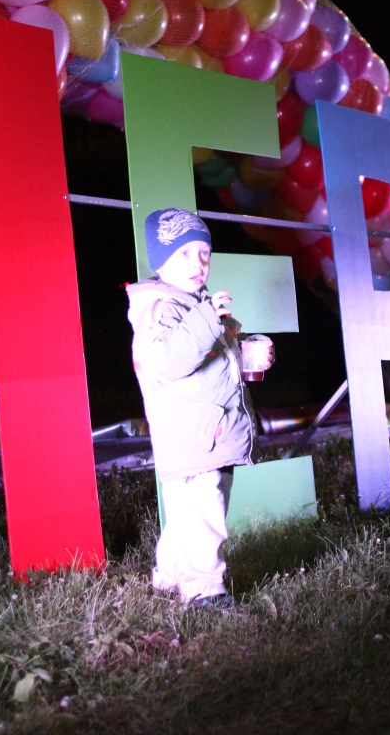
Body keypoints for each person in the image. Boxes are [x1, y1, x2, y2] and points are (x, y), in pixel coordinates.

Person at [126, 208, 258, 608]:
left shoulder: (194, 306)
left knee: (188, 512)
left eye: (204, 253)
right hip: (195, 433)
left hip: (204, 429)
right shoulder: (162, 308)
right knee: (206, 510)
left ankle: (169, 576)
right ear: (161, 260)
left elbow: (218, 355)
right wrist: (205, 318)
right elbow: (169, 360)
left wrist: (249, 349)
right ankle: (203, 588)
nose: (199, 263)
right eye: (184, 254)